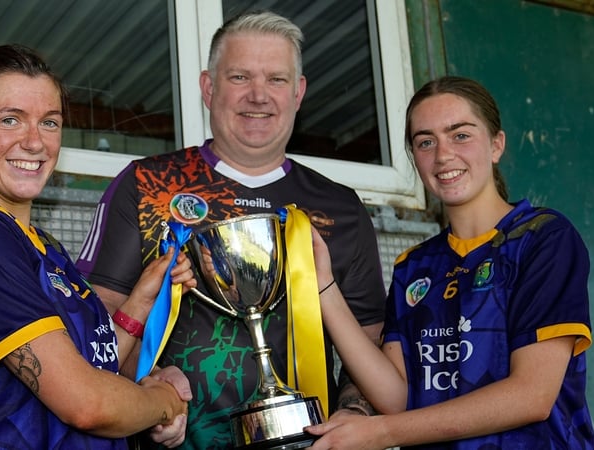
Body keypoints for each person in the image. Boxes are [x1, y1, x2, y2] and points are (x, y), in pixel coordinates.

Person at [75, 11, 387, 449]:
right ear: (208, 88)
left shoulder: (342, 209)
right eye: (240, 76)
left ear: (298, 92)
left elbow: (371, 345)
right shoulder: (146, 185)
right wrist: (145, 381)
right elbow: (94, 318)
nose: (258, 95)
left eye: (276, 79)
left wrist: (354, 413)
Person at [0, 44, 197, 450]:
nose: (34, 142)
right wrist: (164, 403)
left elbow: (95, 365)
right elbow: (87, 404)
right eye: (10, 119)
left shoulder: (44, 247)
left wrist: (141, 300)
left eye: (49, 122)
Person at [304, 75, 594, 449]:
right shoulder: (414, 266)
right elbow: (398, 398)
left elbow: (532, 395)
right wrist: (324, 286)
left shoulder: (542, 237)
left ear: (496, 144)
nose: (443, 155)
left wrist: (380, 432)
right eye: (425, 142)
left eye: (460, 135)